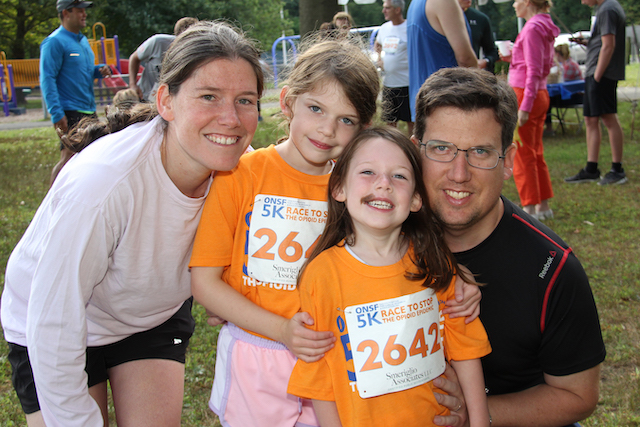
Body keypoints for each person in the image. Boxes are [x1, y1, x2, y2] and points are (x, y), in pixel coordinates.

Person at [1, 21, 265, 427]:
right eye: (209, 96)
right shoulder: (104, 186)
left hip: (150, 317)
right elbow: (52, 320)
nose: (230, 118)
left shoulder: (243, 176)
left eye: (245, 100)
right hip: (57, 325)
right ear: (166, 102)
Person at [189, 38, 379, 427]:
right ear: (288, 102)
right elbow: (205, 283)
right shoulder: (238, 175)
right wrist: (280, 329)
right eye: (315, 109)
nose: (327, 129)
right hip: (254, 354)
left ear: (364, 128)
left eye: (346, 120)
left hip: (330, 356)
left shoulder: (356, 192)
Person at [413, 67, 606, 427]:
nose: (459, 173)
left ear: (509, 161)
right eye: (441, 148)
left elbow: (578, 396)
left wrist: (473, 414)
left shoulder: (550, 268)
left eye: (481, 152)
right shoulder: (380, 241)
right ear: (415, 151)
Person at [287, 127, 492, 427]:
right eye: (368, 172)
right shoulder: (322, 274)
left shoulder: (434, 261)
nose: (383, 184)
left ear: (416, 200)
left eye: (399, 176)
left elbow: (466, 349)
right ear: (339, 189)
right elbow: (320, 376)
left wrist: (479, 423)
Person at [40, 0, 112, 186]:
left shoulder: (82, 41)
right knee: (68, 157)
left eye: (84, 11)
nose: (84, 14)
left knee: (92, 156)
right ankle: (52, 204)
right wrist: (57, 113)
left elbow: (83, 71)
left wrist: (98, 70)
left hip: (88, 109)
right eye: (79, 11)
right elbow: (47, 78)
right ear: (66, 13)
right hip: (69, 110)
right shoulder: (54, 42)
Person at [505, 0, 559, 220]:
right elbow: (536, 65)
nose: (514, 5)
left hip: (526, 94)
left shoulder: (532, 28)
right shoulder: (543, 25)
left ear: (527, 2)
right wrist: (514, 58)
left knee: (522, 152)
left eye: (516, 1)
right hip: (538, 93)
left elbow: (534, 70)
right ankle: (543, 206)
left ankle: (529, 209)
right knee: (535, 152)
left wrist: (524, 106)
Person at [564, 0, 627, 185]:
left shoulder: (608, 9)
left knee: (608, 118)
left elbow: (608, 45)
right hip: (595, 73)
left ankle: (618, 169)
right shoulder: (605, 8)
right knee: (591, 119)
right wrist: (586, 41)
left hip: (602, 74)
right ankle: (591, 168)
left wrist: (598, 76)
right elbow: (601, 42)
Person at [407, 0, 477, 121]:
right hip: (449, 101)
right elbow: (465, 59)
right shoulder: (444, 2)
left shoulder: (415, 4)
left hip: (423, 100)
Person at [128, 17, 198, 102]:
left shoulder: (194, 54)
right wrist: (133, 85)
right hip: (144, 96)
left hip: (168, 102)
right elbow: (134, 58)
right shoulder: (158, 42)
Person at [375, 0, 414, 134]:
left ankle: (412, 151)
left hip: (407, 84)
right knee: (390, 122)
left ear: (397, 10)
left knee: (411, 121)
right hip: (389, 84)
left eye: (387, 8)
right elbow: (377, 43)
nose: (383, 11)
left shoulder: (410, 27)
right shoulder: (384, 28)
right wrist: (379, 58)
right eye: (384, 8)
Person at [458, 0, 499, 73]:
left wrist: (485, 62)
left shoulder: (480, 18)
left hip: (469, 76)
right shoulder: (438, 16)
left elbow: (492, 51)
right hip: (440, 75)